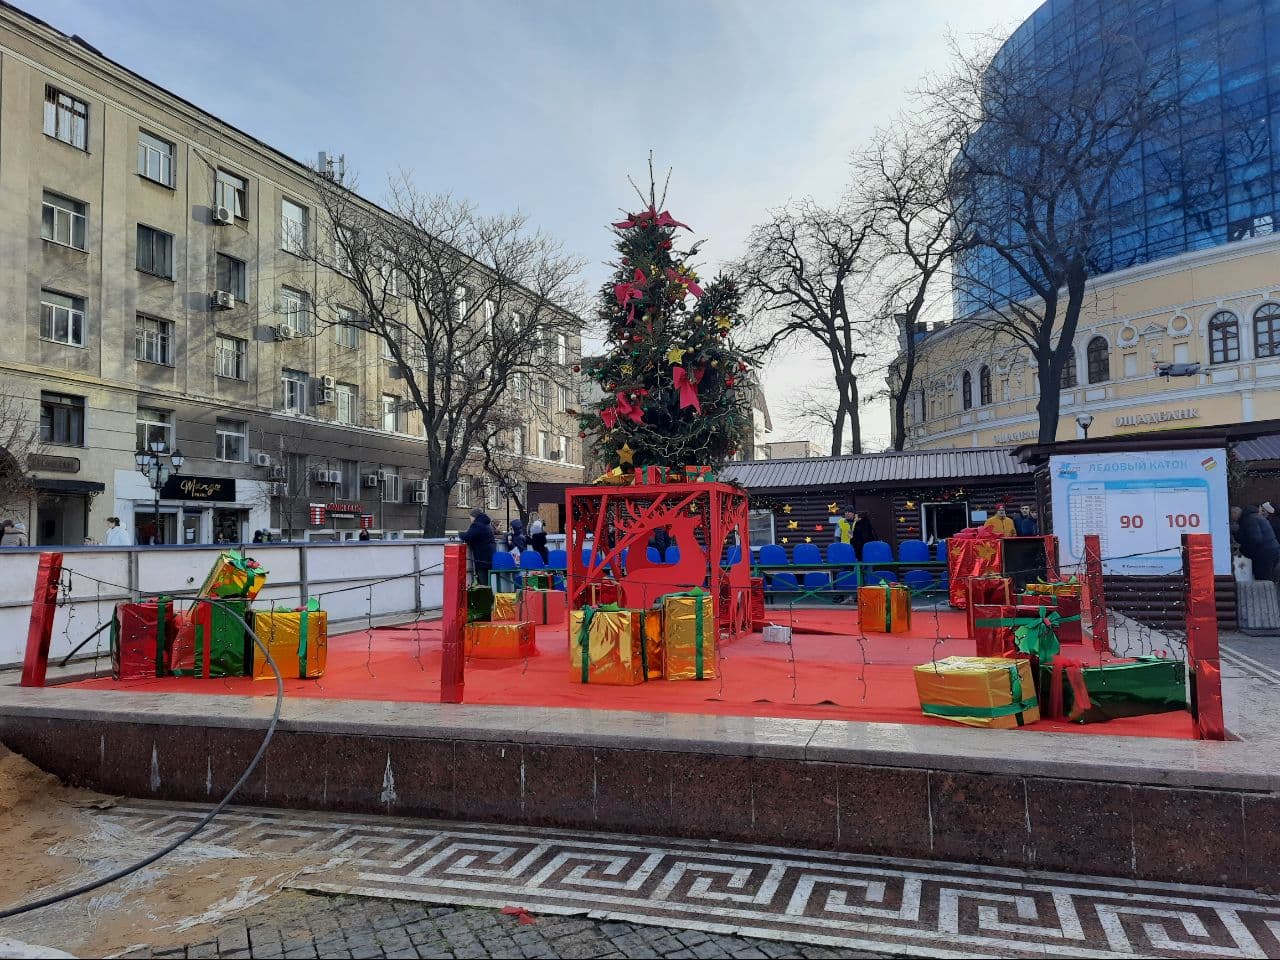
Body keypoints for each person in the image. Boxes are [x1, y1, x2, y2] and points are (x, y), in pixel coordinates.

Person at [1238, 504, 1280, 582]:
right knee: (1270, 579)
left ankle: (1266, 593)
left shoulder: (1250, 519)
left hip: (1264, 553)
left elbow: (1255, 539)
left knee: (1263, 580)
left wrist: (1243, 550)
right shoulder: (1257, 517)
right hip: (1272, 551)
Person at [459, 507, 497, 586]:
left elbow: (467, 536)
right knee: (487, 582)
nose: (470, 519)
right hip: (489, 557)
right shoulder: (486, 524)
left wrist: (459, 534)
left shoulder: (477, 525)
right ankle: (488, 596)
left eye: (471, 517)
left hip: (482, 559)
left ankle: (485, 597)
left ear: (474, 517)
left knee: (483, 583)